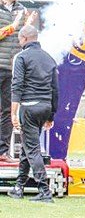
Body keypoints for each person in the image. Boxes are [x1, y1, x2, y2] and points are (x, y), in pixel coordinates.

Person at [8, 25, 58, 202]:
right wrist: (51, 115)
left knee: (32, 148)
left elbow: (17, 86)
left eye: (20, 39)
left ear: (24, 38)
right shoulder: (49, 58)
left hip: (29, 107)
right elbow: (55, 89)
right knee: (28, 147)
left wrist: (13, 113)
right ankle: (19, 187)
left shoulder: (21, 57)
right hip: (44, 107)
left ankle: (45, 191)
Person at [0, 0, 28, 163]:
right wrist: (16, 24)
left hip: (11, 68)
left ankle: (2, 151)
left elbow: (22, 37)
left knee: (6, 111)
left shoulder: (21, 9)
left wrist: (26, 26)